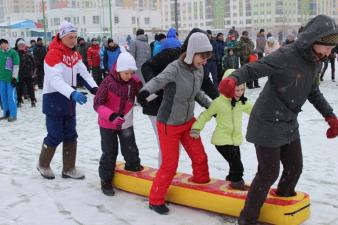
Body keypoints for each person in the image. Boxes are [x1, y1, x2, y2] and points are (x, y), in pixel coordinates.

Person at [218, 15, 338, 225]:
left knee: (295, 167)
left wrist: (330, 116)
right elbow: (253, 68)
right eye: (327, 47)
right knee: (268, 172)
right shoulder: (286, 55)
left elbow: (313, 91)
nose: (329, 53)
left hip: (289, 121)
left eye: (332, 49)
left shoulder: (315, 62)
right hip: (266, 120)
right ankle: (247, 219)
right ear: (313, 39)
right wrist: (233, 79)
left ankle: (280, 202)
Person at [137, 32, 212, 215]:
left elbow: (196, 92)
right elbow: (158, 80)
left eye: (206, 58)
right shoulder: (175, 68)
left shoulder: (199, 69)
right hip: (168, 124)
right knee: (170, 165)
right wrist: (144, 92)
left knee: (200, 157)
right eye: (202, 57)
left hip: (188, 121)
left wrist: (211, 106)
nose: (204, 61)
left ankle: (201, 187)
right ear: (192, 52)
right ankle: (155, 200)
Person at [140, 28, 219, 167]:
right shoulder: (170, 54)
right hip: (156, 105)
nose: (204, 59)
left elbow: (205, 83)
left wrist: (218, 102)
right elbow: (147, 67)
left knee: (175, 149)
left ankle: (168, 174)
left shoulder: (197, 63)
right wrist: (155, 87)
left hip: (178, 109)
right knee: (166, 149)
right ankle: (164, 174)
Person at [37, 21, 98, 180]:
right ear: (62, 36)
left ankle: (69, 168)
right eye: (70, 37)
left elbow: (84, 74)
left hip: (69, 101)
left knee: (71, 134)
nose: (74, 40)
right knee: (55, 135)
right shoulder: (52, 54)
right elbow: (55, 80)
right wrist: (72, 93)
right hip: (54, 99)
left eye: (75, 37)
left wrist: (95, 89)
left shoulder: (75, 54)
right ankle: (43, 163)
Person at [191, 69, 253, 190]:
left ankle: (231, 179)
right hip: (222, 141)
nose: (239, 93)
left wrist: (267, 114)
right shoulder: (218, 103)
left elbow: (254, 110)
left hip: (234, 140)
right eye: (236, 90)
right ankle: (236, 184)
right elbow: (206, 115)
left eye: (242, 90)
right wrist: (196, 128)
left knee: (234, 163)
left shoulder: (241, 102)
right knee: (238, 166)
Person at [94, 52, 143, 196]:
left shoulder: (134, 81)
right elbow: (97, 104)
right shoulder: (107, 82)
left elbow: (142, 93)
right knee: (110, 152)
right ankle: (106, 180)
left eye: (131, 72)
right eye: (126, 73)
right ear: (118, 70)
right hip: (107, 123)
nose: (129, 75)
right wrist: (111, 115)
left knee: (130, 147)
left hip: (126, 121)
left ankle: (133, 167)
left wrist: (149, 97)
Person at [0, 38, 20, 122]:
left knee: (11, 97)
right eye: (1, 44)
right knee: (3, 97)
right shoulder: (0, 53)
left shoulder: (13, 53)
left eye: (4, 43)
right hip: (1, 79)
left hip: (10, 79)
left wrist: (14, 78)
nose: (3, 45)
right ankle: (6, 113)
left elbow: (16, 65)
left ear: (7, 44)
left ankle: (13, 114)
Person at [14, 38, 36, 107]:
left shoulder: (29, 54)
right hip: (19, 75)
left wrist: (33, 74)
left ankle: (33, 100)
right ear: (17, 46)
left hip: (28, 74)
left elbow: (34, 65)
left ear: (24, 45)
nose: (21, 46)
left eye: (22, 45)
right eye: (20, 45)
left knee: (30, 88)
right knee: (19, 89)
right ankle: (19, 101)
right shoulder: (15, 55)